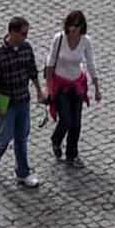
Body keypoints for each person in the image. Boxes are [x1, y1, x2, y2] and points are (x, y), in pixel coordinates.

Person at [0, 13, 41, 188]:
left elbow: (32, 71)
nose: (25, 37)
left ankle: (23, 173)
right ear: (12, 33)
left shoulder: (26, 48)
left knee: (22, 137)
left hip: (23, 98)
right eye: (23, 33)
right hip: (5, 100)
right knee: (4, 136)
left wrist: (39, 90)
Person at [45, 9, 95, 167]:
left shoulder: (85, 41)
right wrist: (49, 88)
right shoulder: (59, 39)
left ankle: (72, 154)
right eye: (71, 27)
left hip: (77, 84)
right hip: (60, 85)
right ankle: (56, 139)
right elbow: (50, 64)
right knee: (66, 120)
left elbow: (90, 63)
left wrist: (97, 85)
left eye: (76, 27)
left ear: (82, 27)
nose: (73, 30)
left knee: (76, 122)